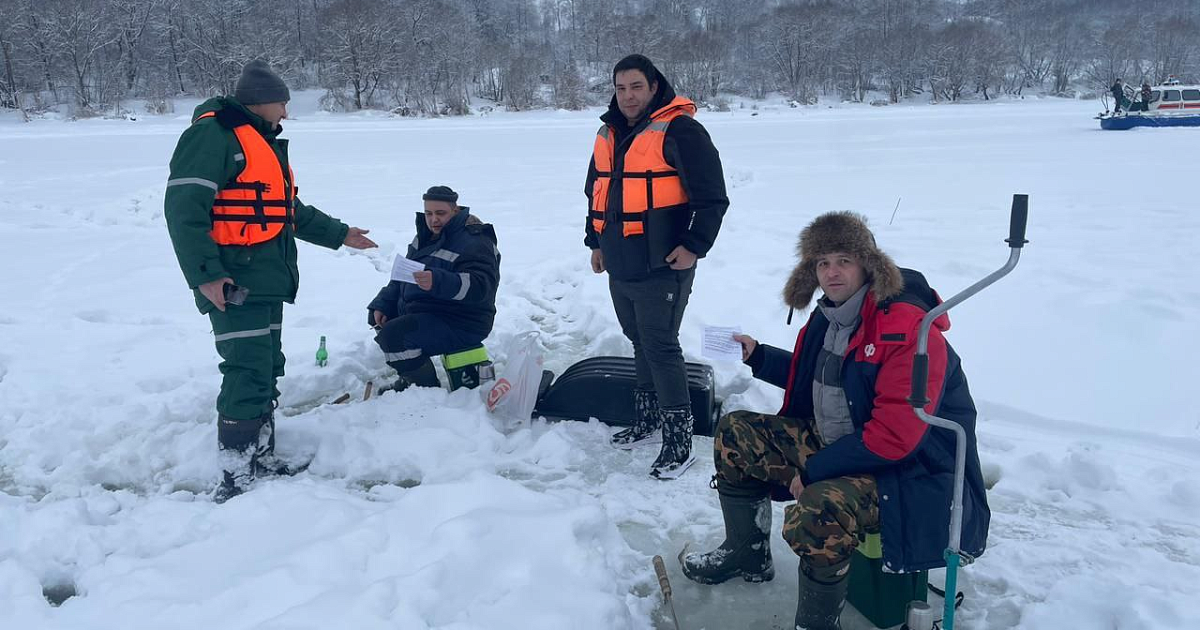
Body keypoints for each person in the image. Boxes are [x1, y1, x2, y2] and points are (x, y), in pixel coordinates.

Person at [679, 212, 990, 630]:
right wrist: (758, 356)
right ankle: (747, 554)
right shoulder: (832, 316)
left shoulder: (909, 331)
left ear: (869, 263)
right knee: (737, 433)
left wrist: (814, 469)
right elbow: (827, 381)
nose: (832, 272)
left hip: (911, 471)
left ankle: (818, 624)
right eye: (822, 262)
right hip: (849, 446)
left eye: (843, 259)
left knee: (819, 508)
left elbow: (896, 436)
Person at [164, 59, 377, 503]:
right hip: (231, 279)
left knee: (263, 367)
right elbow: (184, 211)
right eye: (283, 103)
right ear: (264, 101)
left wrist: (341, 235)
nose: (286, 112)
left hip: (264, 277)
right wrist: (206, 276)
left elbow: (287, 211)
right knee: (245, 369)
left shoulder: (261, 143)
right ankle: (237, 476)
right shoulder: (212, 135)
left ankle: (261, 458)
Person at [584, 54, 729, 479]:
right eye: (621, 88)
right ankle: (648, 420)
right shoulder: (608, 133)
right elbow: (596, 192)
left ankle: (678, 442)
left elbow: (713, 198)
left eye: (636, 87)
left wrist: (694, 246)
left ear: (653, 87)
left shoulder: (682, 130)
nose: (627, 96)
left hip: (664, 262)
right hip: (620, 259)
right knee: (638, 340)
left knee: (661, 346)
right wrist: (595, 243)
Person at [367, 186, 500, 391]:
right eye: (428, 213)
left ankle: (423, 389)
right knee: (379, 317)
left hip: (463, 320)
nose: (433, 220)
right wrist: (383, 303)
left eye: (440, 213)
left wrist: (438, 281)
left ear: (455, 210)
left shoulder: (475, 240)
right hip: (429, 309)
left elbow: (482, 287)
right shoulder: (425, 235)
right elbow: (402, 276)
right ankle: (412, 372)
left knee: (394, 335)